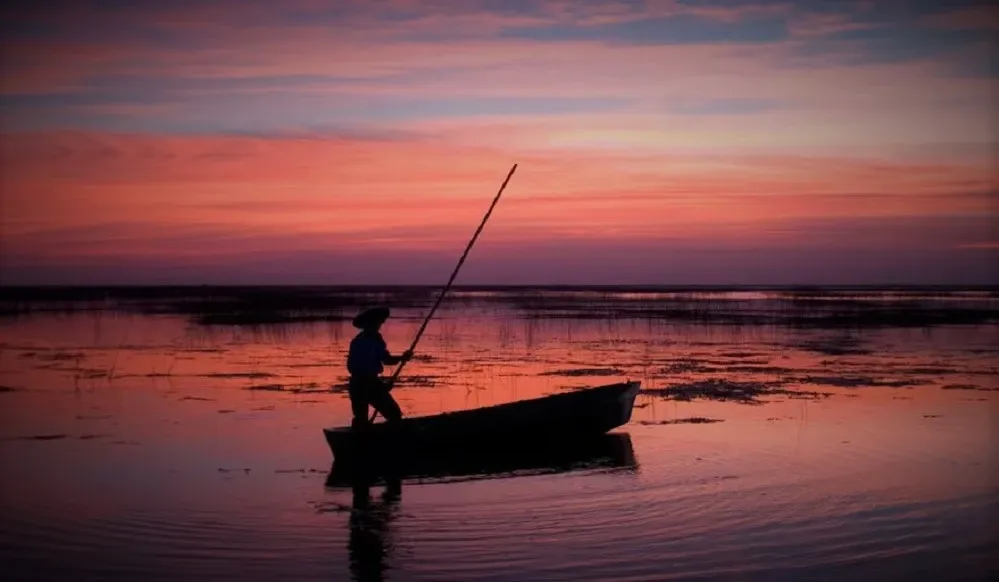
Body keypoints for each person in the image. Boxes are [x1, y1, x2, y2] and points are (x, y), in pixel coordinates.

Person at [346, 306, 413, 429]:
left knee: (388, 415)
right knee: (391, 415)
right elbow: (385, 360)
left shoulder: (366, 340)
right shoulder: (363, 341)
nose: (379, 326)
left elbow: (384, 359)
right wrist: (401, 358)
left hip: (362, 384)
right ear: (368, 324)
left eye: (380, 323)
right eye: (377, 323)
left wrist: (401, 358)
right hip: (362, 385)